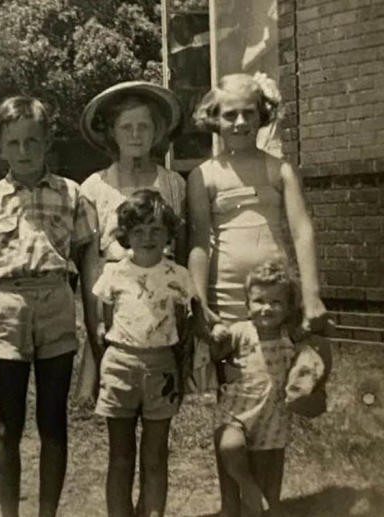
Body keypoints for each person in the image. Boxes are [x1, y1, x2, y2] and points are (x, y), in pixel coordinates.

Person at [187, 73, 330, 516]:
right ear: (213, 118)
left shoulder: (278, 168)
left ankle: (269, 501)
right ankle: (235, 502)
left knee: (274, 402)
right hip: (230, 305)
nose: (240, 121)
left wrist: (311, 295)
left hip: (276, 306)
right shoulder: (204, 175)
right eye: (229, 114)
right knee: (233, 404)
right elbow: (198, 239)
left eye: (249, 112)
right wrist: (200, 302)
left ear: (263, 114)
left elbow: (302, 230)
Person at [0, 96, 99, 517]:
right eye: (14, 142)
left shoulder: (71, 194)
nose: (24, 152)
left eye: (32, 142)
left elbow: (82, 255)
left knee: (53, 421)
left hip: (56, 301)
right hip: (8, 306)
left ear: (47, 143)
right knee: (9, 421)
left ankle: (47, 513)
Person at [79, 81, 189, 394]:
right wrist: (94, 323)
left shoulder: (172, 184)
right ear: (112, 132)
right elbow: (90, 267)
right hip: (115, 299)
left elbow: (180, 255)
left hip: (159, 301)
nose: (136, 134)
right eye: (127, 127)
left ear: (157, 131)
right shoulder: (94, 187)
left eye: (144, 126)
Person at [92, 190, 196, 517]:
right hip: (120, 365)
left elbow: (186, 325)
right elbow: (102, 325)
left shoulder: (178, 275)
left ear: (168, 233)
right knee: (120, 457)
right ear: (125, 235)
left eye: (155, 229)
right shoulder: (113, 274)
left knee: (156, 456)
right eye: (138, 231)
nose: (147, 237)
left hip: (161, 368)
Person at [209, 260, 326, 517]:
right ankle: (245, 486)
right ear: (247, 304)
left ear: (287, 308)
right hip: (236, 414)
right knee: (230, 447)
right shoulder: (241, 332)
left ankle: (256, 501)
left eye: (275, 302)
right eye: (259, 301)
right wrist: (217, 336)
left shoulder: (289, 336)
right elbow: (216, 355)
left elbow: (315, 350)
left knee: (266, 494)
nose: (266, 308)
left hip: (271, 419)